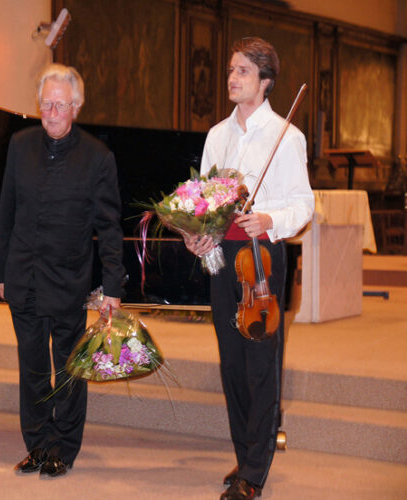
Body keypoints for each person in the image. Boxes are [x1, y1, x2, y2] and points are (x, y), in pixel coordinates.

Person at [184, 37, 314, 500]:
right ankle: (245, 455)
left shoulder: (286, 136)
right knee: (232, 364)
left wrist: (269, 219)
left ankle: (255, 471)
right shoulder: (217, 135)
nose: (232, 78)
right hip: (223, 259)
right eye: (231, 70)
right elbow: (202, 202)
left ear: (265, 81)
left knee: (260, 363)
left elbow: (303, 204)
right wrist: (195, 233)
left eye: (242, 71)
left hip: (261, 258)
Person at [0, 63, 125, 477]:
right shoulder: (20, 145)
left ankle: (63, 448)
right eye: (46, 104)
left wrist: (113, 285)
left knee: (69, 370)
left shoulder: (98, 157)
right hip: (23, 278)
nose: (51, 113)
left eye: (60, 105)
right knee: (32, 369)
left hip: (68, 281)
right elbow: (6, 213)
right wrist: (0, 273)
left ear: (76, 106)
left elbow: (110, 228)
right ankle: (37, 444)